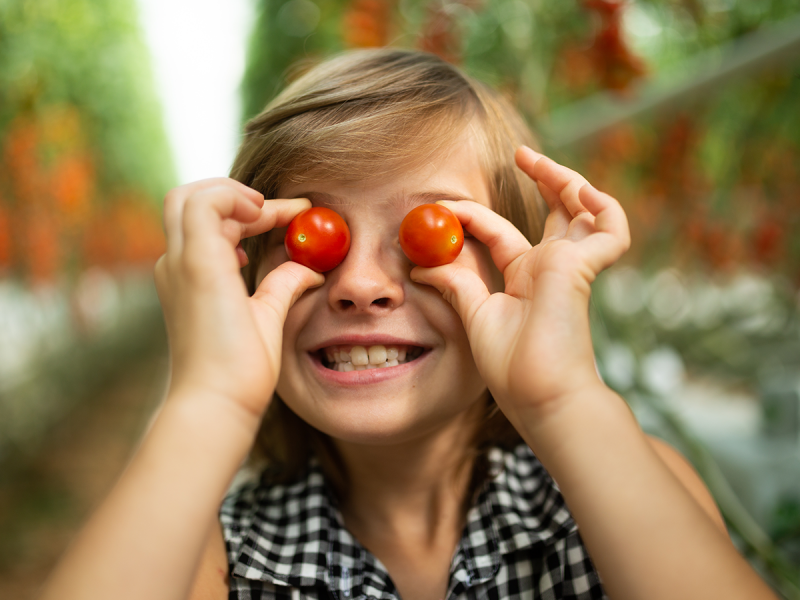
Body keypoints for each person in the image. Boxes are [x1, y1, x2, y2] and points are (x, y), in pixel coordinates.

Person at [41, 48, 777, 600]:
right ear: (247, 278)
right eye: (315, 236)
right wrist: (208, 399)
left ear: (510, 267)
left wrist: (562, 398)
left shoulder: (625, 497)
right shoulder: (213, 558)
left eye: (432, 234)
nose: (360, 285)